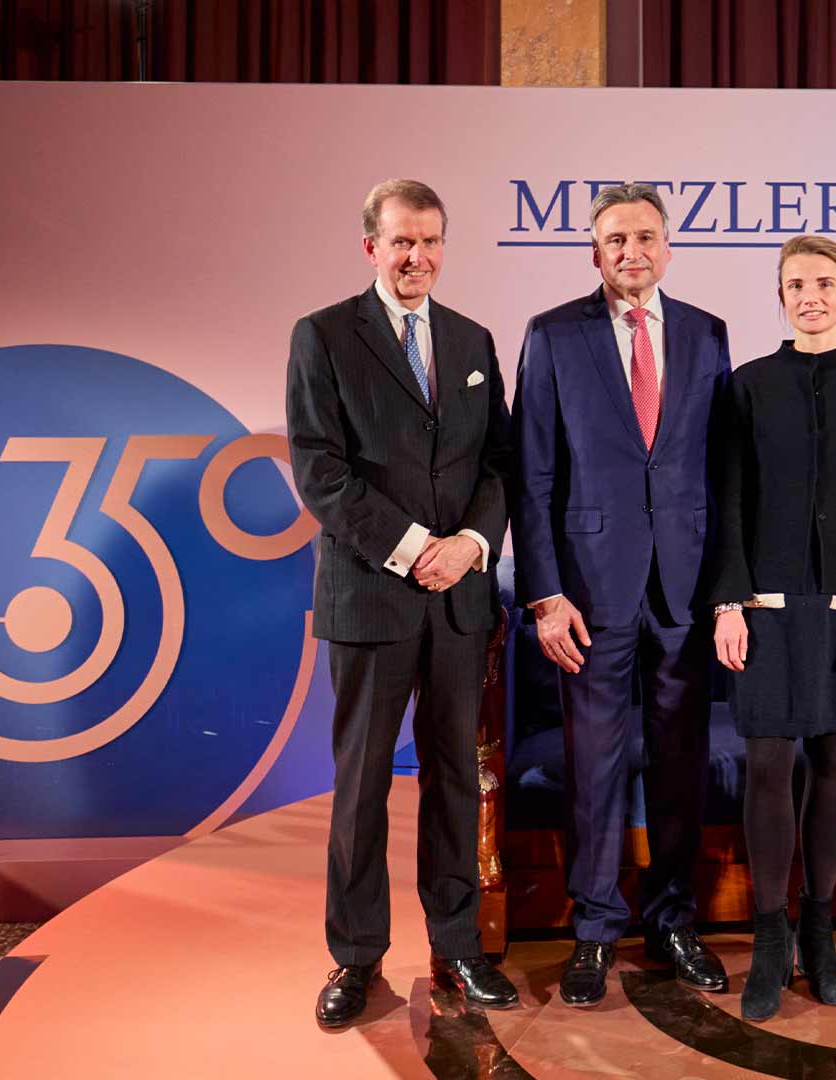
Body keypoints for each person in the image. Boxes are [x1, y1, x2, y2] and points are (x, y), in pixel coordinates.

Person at [286, 179, 519, 1028]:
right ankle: (355, 958)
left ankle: (457, 947)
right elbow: (320, 470)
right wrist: (417, 545)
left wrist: (471, 545)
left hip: (460, 601)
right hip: (371, 598)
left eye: (430, 242)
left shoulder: (472, 338)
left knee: (458, 778)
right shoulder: (323, 336)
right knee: (361, 785)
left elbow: (500, 464)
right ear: (370, 249)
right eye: (401, 243)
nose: (417, 257)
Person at [511, 183, 731, 1006]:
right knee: (593, 766)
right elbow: (530, 476)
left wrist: (726, 590)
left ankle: (674, 920)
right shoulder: (552, 334)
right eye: (614, 239)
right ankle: (595, 930)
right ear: (593, 253)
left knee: (682, 763)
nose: (630, 251)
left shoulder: (708, 334)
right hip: (589, 591)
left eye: (644, 236)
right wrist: (543, 593)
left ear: (667, 246)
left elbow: (720, 470)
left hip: (684, 586)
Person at [707, 235, 836, 1021]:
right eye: (796, 285)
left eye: (824, 284)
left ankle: (821, 933)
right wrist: (726, 602)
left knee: (833, 764)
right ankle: (770, 939)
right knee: (767, 767)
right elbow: (726, 499)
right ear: (781, 296)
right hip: (763, 607)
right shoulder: (748, 386)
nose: (811, 297)